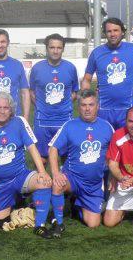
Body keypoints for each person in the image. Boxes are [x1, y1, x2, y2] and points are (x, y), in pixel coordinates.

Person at [0, 93, 54, 239]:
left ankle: (40, 225)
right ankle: (22, 203)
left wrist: (42, 171)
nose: (2, 111)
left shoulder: (19, 122)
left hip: (20, 176)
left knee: (43, 182)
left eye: (6, 107)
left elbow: (31, 147)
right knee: (0, 222)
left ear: (11, 110)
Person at [49, 90, 114, 228]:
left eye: (91, 104)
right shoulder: (69, 126)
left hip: (93, 184)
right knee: (57, 184)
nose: (87, 108)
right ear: (78, 107)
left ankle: (76, 204)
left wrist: (113, 175)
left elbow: (115, 153)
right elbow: (53, 149)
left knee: (93, 224)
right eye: (83, 105)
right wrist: (56, 173)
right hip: (72, 178)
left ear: (98, 105)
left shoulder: (107, 127)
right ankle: (58, 222)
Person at [82, 17, 133, 129]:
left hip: (127, 109)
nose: (112, 34)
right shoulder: (97, 53)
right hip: (104, 110)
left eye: (116, 30)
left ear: (122, 32)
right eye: (109, 31)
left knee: (125, 145)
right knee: (104, 144)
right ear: (105, 33)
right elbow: (87, 79)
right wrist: (87, 97)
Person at [28, 33, 79, 158]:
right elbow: (32, 92)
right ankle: (43, 178)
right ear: (46, 48)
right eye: (52, 47)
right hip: (42, 120)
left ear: (63, 49)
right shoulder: (37, 68)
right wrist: (42, 105)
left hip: (64, 119)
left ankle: (63, 178)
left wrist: (63, 105)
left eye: (59, 48)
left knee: (66, 158)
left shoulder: (70, 68)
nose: (55, 51)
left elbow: (74, 92)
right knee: (42, 158)